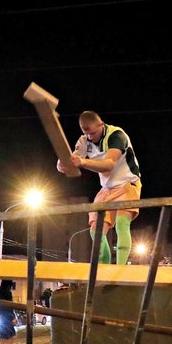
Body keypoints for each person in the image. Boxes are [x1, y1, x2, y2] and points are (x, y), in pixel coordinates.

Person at [57, 111, 141, 265]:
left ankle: (120, 268)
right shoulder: (84, 140)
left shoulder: (116, 136)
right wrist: (62, 165)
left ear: (101, 125)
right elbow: (73, 158)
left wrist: (82, 162)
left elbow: (108, 164)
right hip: (106, 189)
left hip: (127, 184)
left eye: (93, 133)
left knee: (122, 223)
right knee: (95, 230)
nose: (90, 137)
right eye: (86, 133)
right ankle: (103, 268)